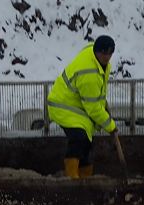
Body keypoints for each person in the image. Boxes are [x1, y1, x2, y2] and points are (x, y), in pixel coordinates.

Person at [47, 35, 117, 179]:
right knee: (79, 138)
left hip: (76, 104)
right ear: (96, 52)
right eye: (104, 53)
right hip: (63, 106)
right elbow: (93, 108)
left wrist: (102, 102)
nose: (107, 56)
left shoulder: (98, 61)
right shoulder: (88, 73)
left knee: (87, 143)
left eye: (110, 53)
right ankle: (72, 179)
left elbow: (96, 96)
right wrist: (110, 125)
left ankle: (85, 180)